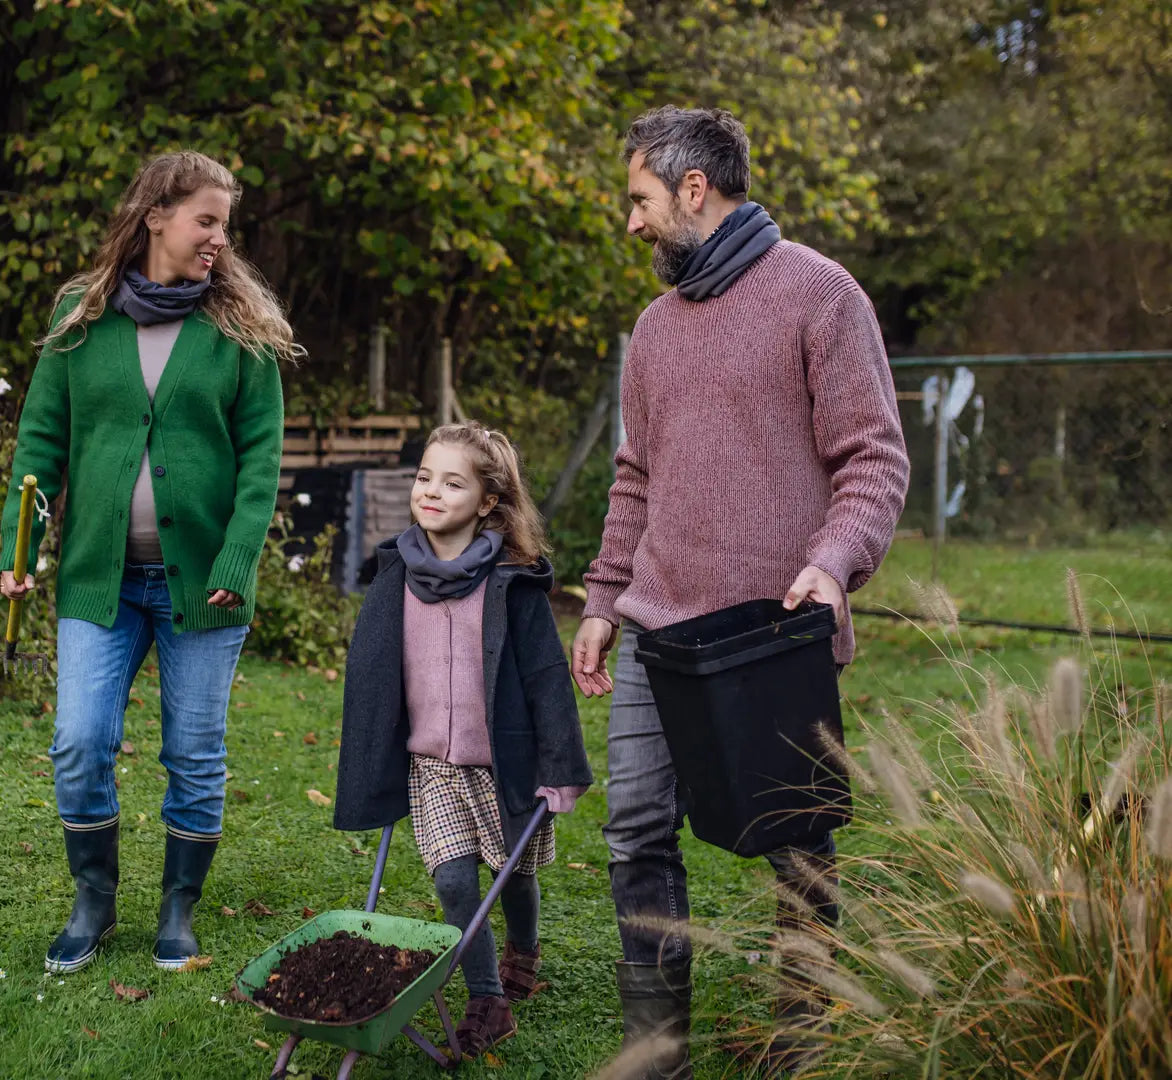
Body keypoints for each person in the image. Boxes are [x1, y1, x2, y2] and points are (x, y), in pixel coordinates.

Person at [572, 107, 909, 1077]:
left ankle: (802, 1042)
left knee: (797, 846)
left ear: (692, 189)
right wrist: (601, 601)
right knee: (636, 830)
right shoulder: (653, 330)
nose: (630, 222)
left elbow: (873, 459)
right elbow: (635, 478)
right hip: (656, 627)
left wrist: (836, 559)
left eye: (638, 200)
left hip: (775, 630)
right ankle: (657, 1051)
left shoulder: (819, 296)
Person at [0, 150, 299, 975]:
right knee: (79, 740)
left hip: (204, 584)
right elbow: (41, 442)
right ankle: (93, 898)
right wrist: (18, 548)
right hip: (100, 580)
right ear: (156, 214)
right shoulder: (81, 314)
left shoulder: (240, 330)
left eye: (225, 227)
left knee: (194, 753)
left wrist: (238, 557)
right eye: (207, 221)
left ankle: (178, 908)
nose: (219, 241)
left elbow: (261, 460)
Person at [333, 421, 594, 1058]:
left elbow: (543, 675)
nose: (432, 491)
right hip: (432, 764)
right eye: (425, 477)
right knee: (453, 882)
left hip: (503, 763)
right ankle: (487, 998)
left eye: (453, 483)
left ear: (487, 503)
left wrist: (559, 763)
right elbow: (372, 672)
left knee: (516, 875)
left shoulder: (513, 583)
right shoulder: (394, 575)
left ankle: (523, 949)